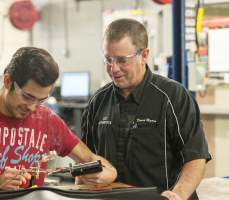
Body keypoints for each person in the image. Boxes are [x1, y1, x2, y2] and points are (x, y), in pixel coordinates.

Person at [0, 47, 117, 192]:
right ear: (8, 82)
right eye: (27, 96)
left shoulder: (46, 119)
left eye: (41, 100)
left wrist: (110, 172)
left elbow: (91, 159)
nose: (32, 107)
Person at [80, 18, 211, 200]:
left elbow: (195, 156)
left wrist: (178, 195)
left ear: (144, 55)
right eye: (108, 59)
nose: (113, 68)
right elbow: (85, 160)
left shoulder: (173, 97)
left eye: (122, 60)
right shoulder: (97, 102)